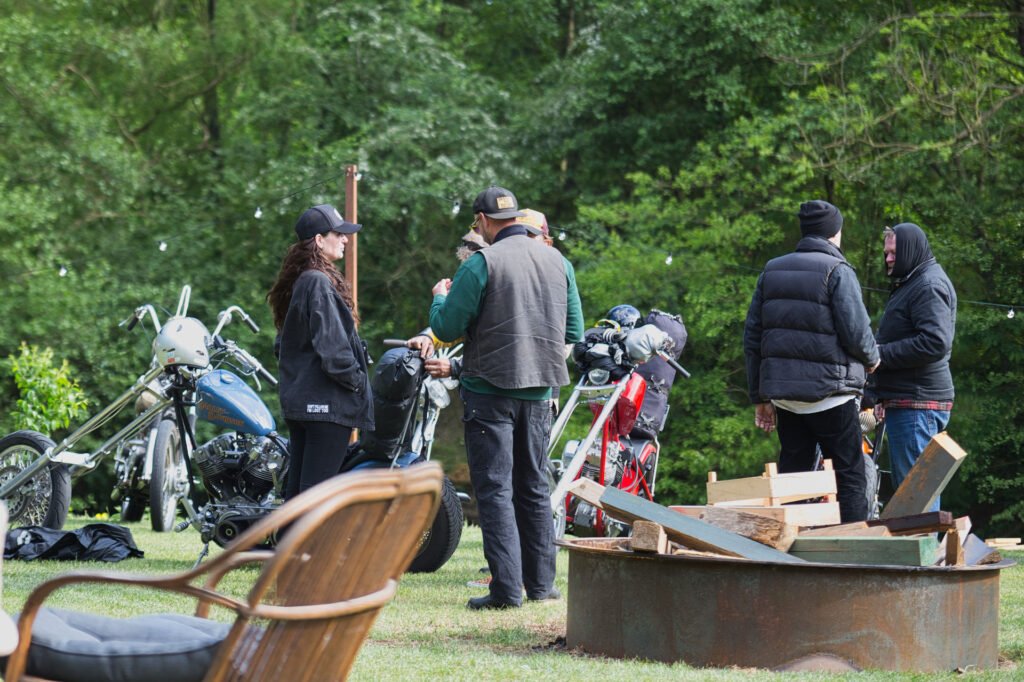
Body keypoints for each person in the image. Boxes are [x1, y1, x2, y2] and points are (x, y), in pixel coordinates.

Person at [429, 186, 584, 610]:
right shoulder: (559, 261)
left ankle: (505, 591)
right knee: (534, 486)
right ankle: (542, 586)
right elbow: (573, 332)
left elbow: (446, 327)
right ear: (516, 217)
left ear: (481, 221)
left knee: (495, 489)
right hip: (539, 392)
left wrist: (439, 299)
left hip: (489, 391)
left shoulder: (482, 263)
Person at [743, 200, 880, 523]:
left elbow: (753, 337)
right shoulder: (838, 271)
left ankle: (793, 552)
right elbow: (857, 332)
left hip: (786, 399)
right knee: (849, 474)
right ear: (835, 233)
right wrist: (873, 359)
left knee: (794, 480)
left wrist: (760, 397)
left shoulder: (771, 270)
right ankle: (851, 551)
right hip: (832, 395)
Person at [267, 204, 374, 500]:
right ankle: (306, 548)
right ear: (318, 239)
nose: (345, 239)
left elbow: (282, 346)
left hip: (304, 403)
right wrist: (358, 384)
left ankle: (288, 547)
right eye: (338, 234)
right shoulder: (317, 282)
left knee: (299, 495)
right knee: (317, 498)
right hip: (327, 406)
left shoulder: (301, 281)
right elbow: (334, 350)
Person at [869, 223, 956, 512]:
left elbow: (934, 343)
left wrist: (879, 355)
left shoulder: (928, 285)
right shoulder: (914, 282)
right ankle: (923, 554)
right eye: (886, 253)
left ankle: (923, 557)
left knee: (917, 496)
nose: (888, 258)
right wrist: (882, 394)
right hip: (910, 400)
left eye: (894, 252)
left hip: (918, 405)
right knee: (915, 492)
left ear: (910, 249)